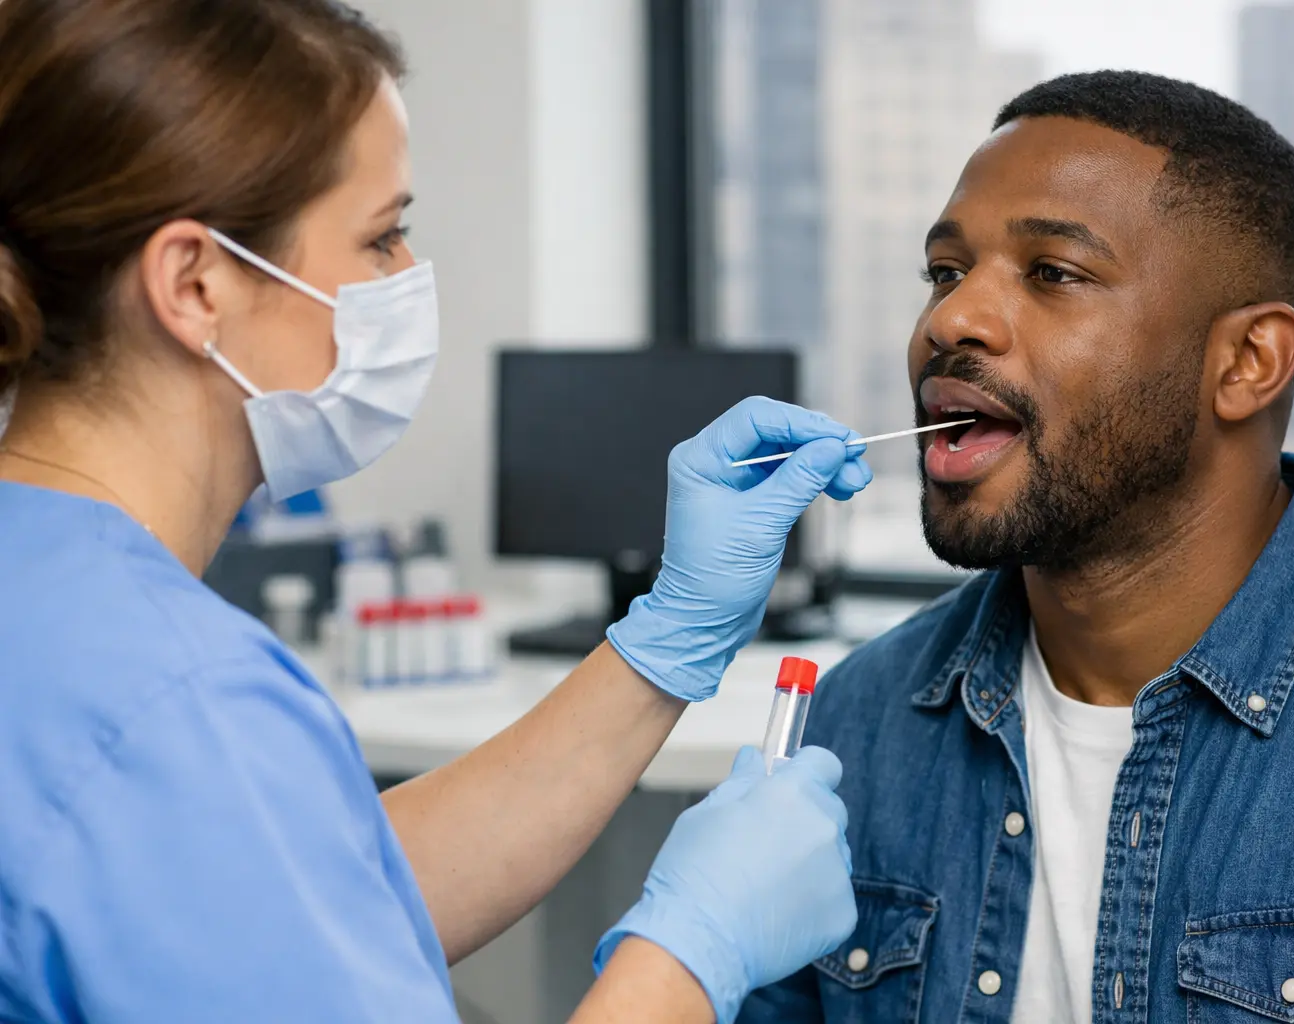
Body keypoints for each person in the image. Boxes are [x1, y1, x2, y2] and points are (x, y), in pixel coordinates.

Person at [0, 2, 867, 1021]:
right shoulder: (179, 706)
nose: (409, 281)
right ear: (193, 283)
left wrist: (668, 641)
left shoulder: (60, 606)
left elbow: (297, 906)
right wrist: (688, 951)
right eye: (383, 236)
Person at [742, 70, 1294, 1023]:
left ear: (1247, 362)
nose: (949, 321)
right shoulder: (854, 723)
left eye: (1053, 274)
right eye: (946, 272)